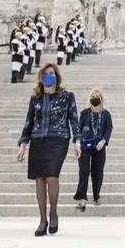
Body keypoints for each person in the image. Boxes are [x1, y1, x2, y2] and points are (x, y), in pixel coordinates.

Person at [16, 63, 80, 236]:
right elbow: (28, 122)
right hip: (38, 140)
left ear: (56, 77)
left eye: (51, 73)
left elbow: (74, 119)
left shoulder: (67, 96)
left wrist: (77, 141)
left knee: (52, 176)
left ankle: (53, 212)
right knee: (39, 179)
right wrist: (23, 145)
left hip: (58, 140)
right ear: (41, 77)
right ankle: (42, 219)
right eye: (45, 74)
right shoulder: (36, 98)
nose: (48, 76)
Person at [74, 88, 113, 210]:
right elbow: (78, 129)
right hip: (85, 146)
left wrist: (104, 141)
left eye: (97, 96)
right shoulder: (85, 113)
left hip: (99, 146)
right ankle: (82, 198)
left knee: (98, 172)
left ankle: (96, 196)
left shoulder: (106, 114)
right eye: (93, 96)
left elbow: (109, 129)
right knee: (84, 171)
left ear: (101, 99)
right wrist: (77, 143)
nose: (95, 98)